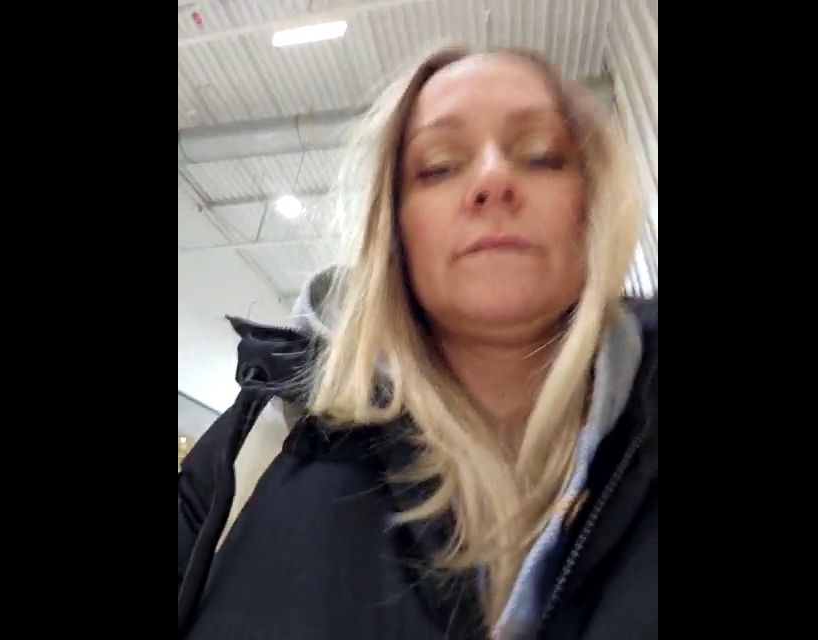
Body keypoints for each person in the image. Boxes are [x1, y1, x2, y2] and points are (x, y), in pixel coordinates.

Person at [178, 47, 657, 640]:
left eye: (541, 155)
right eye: (438, 166)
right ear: (394, 228)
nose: (493, 179)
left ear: (591, 204)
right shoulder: (264, 437)